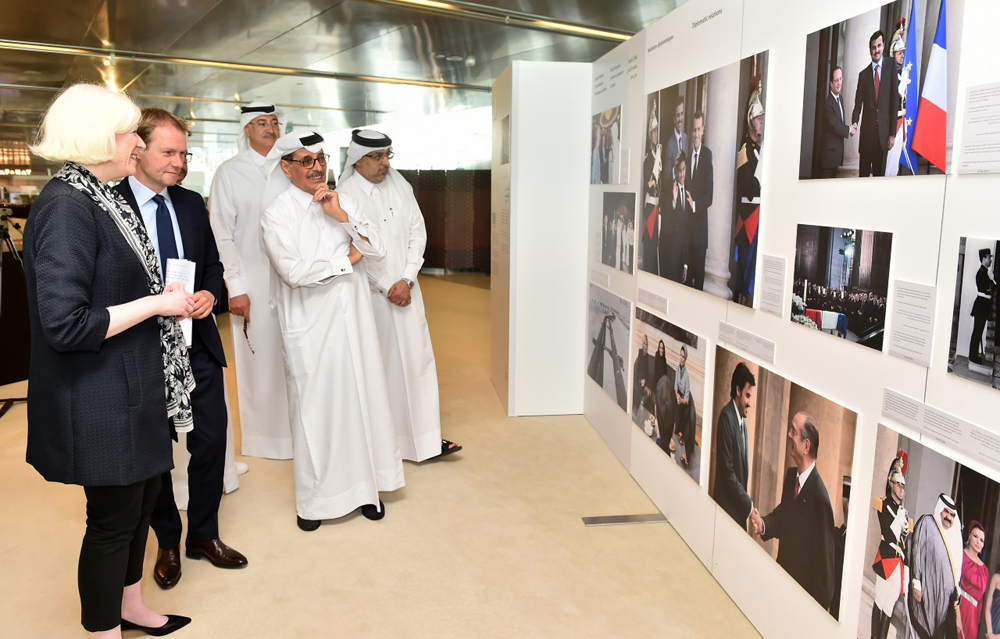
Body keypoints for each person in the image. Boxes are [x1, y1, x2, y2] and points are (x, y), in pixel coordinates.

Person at [24, 83, 194, 637]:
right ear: (100, 137)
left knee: (141, 506)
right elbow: (66, 323)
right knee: (110, 525)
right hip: (100, 395)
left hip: (134, 386)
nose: (137, 147)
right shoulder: (66, 206)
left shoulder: (104, 193)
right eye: (128, 136)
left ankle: (130, 605)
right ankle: (103, 630)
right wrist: (156, 304)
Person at [114, 108, 247, 590]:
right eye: (168, 152)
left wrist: (212, 293)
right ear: (138, 150)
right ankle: (168, 539)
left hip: (197, 341)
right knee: (158, 451)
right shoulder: (113, 207)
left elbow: (211, 264)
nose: (178, 162)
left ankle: (203, 535)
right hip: (143, 349)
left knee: (211, 439)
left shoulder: (190, 204)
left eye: (183, 153)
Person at [259, 130, 403, 531]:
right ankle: (315, 501)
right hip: (311, 327)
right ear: (286, 168)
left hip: (355, 321)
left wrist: (342, 217)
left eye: (320, 158)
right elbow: (294, 273)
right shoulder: (276, 214)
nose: (317, 167)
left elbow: (377, 249)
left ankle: (368, 489)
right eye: (306, 161)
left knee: (363, 400)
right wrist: (346, 258)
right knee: (317, 410)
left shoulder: (345, 201)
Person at [336, 129, 461, 461]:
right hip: (370, 296)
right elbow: (352, 247)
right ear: (357, 160)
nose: (384, 163)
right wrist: (385, 286)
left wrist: (406, 278)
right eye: (377, 157)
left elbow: (417, 231)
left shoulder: (400, 185)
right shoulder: (344, 195)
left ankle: (426, 440)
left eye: (388, 155)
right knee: (381, 367)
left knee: (418, 362)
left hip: (407, 289)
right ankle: (384, 445)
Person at [209, 101, 293, 459]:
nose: (271, 129)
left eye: (274, 122)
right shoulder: (230, 172)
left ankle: (299, 433)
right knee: (259, 359)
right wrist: (236, 287)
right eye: (262, 123)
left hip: (294, 278)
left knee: (296, 354)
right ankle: (264, 440)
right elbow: (222, 234)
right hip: (253, 281)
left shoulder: (291, 166)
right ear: (246, 129)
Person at [751, 412, 836, 612]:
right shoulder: (792, 477)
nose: (789, 435)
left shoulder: (820, 500)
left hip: (800, 603)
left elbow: (825, 575)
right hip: (781, 586)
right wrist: (763, 524)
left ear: (806, 446)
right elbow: (784, 518)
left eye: (793, 431)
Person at [907, 494, 963, 639]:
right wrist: (916, 582)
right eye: (946, 512)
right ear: (940, 509)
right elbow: (916, 550)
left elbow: (956, 570)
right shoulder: (927, 522)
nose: (948, 517)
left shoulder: (955, 538)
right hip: (927, 595)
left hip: (945, 604)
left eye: (952, 515)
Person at [871, 453, 910, 639]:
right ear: (891, 484)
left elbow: (905, 544)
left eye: (903, 485)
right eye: (898, 484)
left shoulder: (903, 512)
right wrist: (900, 518)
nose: (901, 488)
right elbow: (888, 534)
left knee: (889, 607)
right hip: (887, 557)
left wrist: (907, 574)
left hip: (898, 564)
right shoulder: (883, 504)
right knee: (879, 602)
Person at [851, 30, 900, 177]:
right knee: (863, 178)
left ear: (883, 46)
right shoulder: (863, 75)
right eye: (873, 47)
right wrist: (854, 122)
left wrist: (892, 134)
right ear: (870, 50)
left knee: (879, 179)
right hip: (866, 138)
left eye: (879, 46)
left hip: (883, 138)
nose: (876, 50)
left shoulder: (891, 66)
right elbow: (858, 104)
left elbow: (894, 101)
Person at [733, 81, 764, 305]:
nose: (762, 122)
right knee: (743, 275)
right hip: (747, 222)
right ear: (751, 122)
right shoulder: (744, 151)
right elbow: (746, 188)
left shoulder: (761, 151)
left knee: (754, 272)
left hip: (758, 218)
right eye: (759, 118)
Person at [713, 362, 755, 527]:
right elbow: (728, 471)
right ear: (738, 391)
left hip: (737, 515)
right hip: (726, 513)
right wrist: (750, 507)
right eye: (747, 395)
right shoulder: (726, 417)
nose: (749, 402)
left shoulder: (743, 426)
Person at [687, 112, 713, 290]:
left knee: (698, 286)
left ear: (703, 130)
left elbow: (709, 196)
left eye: (699, 129)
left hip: (700, 234)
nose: (696, 134)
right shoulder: (686, 158)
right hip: (686, 235)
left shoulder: (707, 155)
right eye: (694, 130)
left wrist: (694, 205)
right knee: (686, 283)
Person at [641, 102, 662, 275]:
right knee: (649, 249)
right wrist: (656, 164)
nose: (656, 134)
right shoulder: (649, 159)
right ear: (649, 134)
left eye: (657, 130)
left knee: (656, 248)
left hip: (658, 207)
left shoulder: (658, 158)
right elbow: (649, 184)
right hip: (650, 208)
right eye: (653, 131)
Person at [662, 151, 690, 281]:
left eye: (684, 169)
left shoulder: (689, 192)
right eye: (680, 170)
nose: (682, 174)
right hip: (670, 257)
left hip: (681, 258)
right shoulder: (669, 189)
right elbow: (667, 225)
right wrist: (673, 201)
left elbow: (687, 232)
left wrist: (685, 264)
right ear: (676, 171)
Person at [820, 66, 852, 179]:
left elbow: (840, 123)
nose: (839, 83)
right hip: (828, 160)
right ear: (831, 83)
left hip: (836, 157)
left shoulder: (840, 99)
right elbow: (834, 126)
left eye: (840, 79)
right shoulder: (828, 103)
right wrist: (849, 129)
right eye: (836, 80)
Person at [959, 522, 989, 639]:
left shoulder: (985, 569)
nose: (978, 542)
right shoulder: (960, 555)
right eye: (975, 536)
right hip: (958, 605)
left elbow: (981, 599)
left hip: (973, 615)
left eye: (981, 540)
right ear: (969, 536)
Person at [969, 248, 994, 365]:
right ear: (984, 258)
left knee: (978, 331)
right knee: (977, 332)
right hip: (980, 305)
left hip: (983, 306)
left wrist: (992, 282)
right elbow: (988, 289)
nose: (990, 260)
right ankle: (972, 356)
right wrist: (992, 281)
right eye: (989, 257)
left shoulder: (985, 273)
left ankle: (973, 355)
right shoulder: (981, 273)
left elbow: (991, 288)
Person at [673, 345, 693, 467]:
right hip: (677, 397)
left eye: (683, 357)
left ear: (685, 359)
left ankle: (680, 440)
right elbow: (675, 385)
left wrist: (681, 400)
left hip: (684, 403)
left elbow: (687, 397)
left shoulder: (687, 376)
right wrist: (676, 396)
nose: (681, 358)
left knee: (681, 414)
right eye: (680, 355)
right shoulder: (677, 368)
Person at [665, 96, 687, 180]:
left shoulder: (685, 138)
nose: (680, 119)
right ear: (674, 119)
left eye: (682, 114)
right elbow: (666, 178)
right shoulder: (669, 145)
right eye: (678, 115)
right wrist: (674, 168)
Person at [983, 565, 1000, 639]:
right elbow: (988, 606)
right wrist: (990, 633)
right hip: (991, 627)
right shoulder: (996, 578)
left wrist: (996, 637)